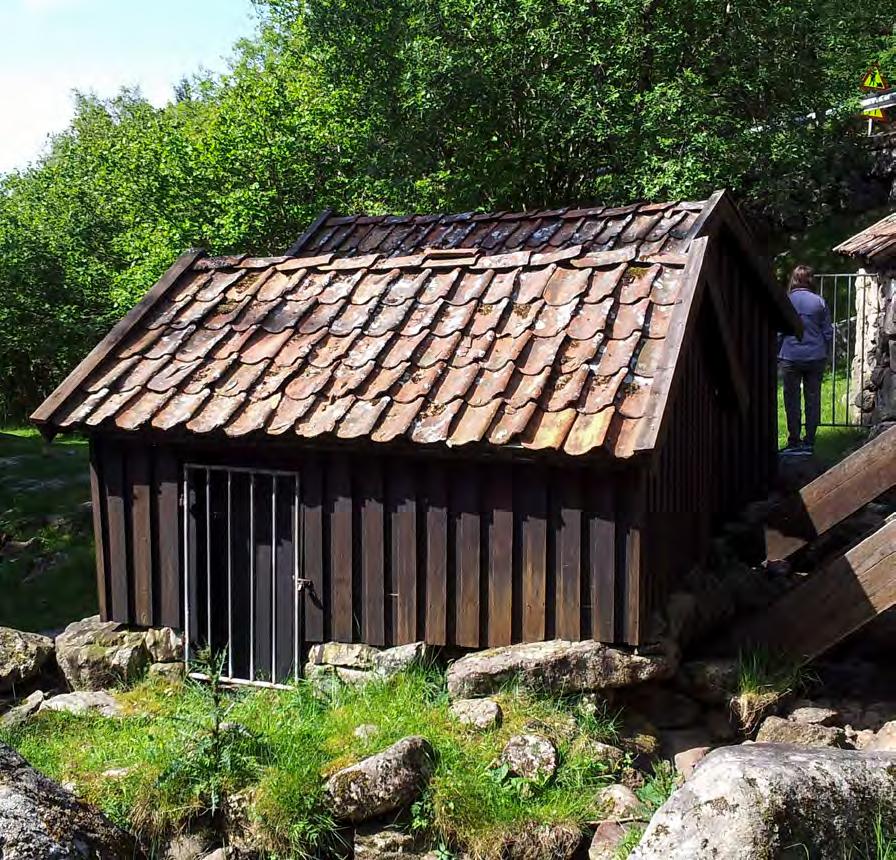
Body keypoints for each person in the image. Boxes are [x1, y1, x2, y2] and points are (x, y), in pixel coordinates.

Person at [778, 264, 833, 454]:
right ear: (811, 280)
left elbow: (778, 332)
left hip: (790, 356)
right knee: (813, 398)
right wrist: (825, 352)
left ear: (793, 279)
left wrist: (777, 353)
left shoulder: (786, 300)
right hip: (815, 356)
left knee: (791, 399)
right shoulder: (819, 302)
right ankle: (810, 439)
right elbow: (827, 332)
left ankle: (794, 439)